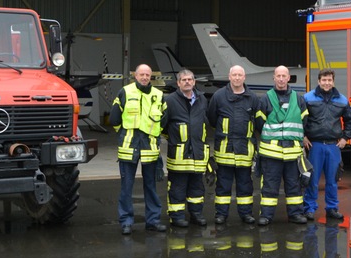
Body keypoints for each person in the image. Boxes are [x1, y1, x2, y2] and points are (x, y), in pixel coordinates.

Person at [109, 64, 166, 236]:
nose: (144, 77)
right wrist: (125, 134)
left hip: (149, 148)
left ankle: (153, 221)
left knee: (151, 187)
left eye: (147, 75)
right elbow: (114, 118)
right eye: (141, 74)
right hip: (129, 147)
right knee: (126, 187)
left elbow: (164, 120)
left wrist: (155, 135)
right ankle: (126, 222)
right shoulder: (125, 92)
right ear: (135, 75)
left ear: (151, 77)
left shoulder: (158, 95)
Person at [254, 65, 310, 229]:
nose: (280, 79)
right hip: (271, 154)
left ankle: (295, 214)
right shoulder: (264, 99)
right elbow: (259, 123)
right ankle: (266, 216)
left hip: (292, 153)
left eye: (283, 76)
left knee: (294, 185)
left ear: (288, 78)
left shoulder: (299, 99)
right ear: (274, 78)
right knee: (269, 186)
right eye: (278, 76)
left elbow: (304, 122)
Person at [205, 64, 260, 225]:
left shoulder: (253, 98)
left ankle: (246, 214)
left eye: (239, 75)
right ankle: (221, 214)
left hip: (244, 150)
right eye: (234, 75)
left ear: (244, 77)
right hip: (225, 150)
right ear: (229, 77)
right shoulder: (219, 96)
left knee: (245, 185)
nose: (237, 78)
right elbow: (212, 119)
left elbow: (257, 122)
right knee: (223, 185)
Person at [302, 68, 351, 220]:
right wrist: (303, 137)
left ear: (333, 81)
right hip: (314, 145)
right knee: (312, 179)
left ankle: (332, 208)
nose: (326, 83)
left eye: (329, 80)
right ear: (319, 81)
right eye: (324, 80)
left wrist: (345, 138)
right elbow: (300, 120)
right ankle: (310, 208)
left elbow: (350, 121)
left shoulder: (342, 99)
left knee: (333, 179)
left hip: (333, 145)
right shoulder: (307, 98)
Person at [162, 69, 210, 229]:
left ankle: (196, 214)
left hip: (197, 152)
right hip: (179, 154)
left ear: (194, 82)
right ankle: (177, 216)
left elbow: (206, 122)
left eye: (190, 79)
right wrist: (174, 140)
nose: (187, 82)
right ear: (178, 83)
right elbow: (162, 126)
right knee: (177, 187)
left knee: (197, 187)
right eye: (184, 80)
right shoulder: (170, 101)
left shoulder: (202, 99)